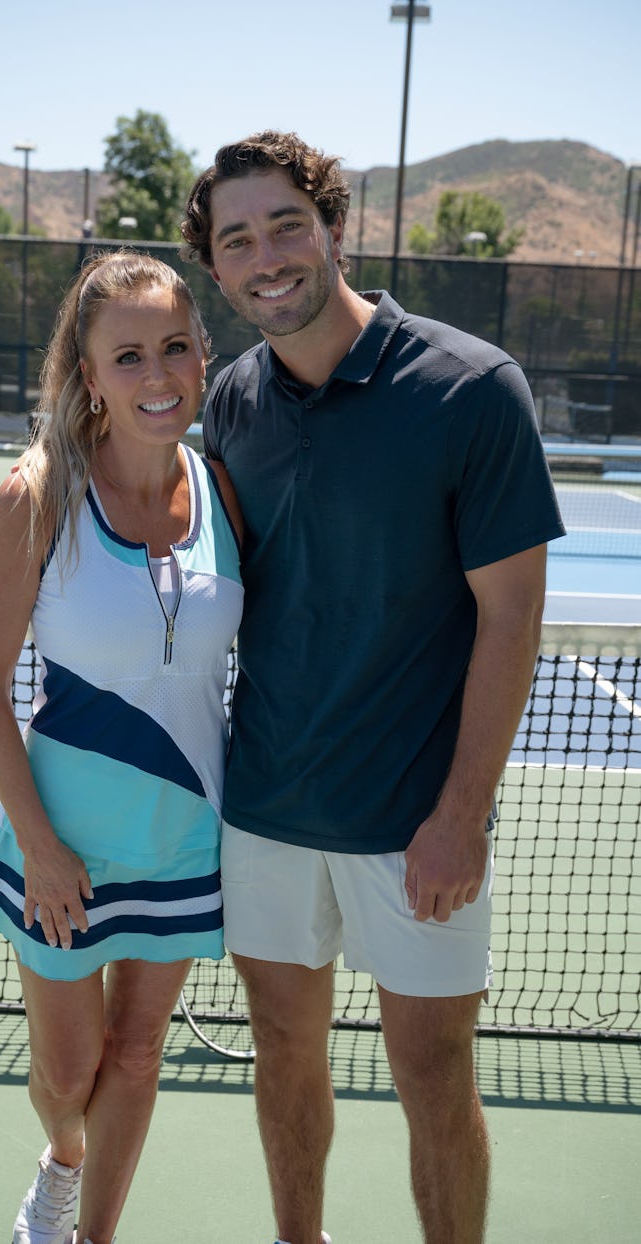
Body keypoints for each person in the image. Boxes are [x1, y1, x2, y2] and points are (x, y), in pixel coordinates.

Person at [181, 131, 565, 1244]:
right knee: (284, 1050)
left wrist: (458, 817)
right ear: (218, 267)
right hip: (266, 812)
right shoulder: (235, 403)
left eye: (286, 224)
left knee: (433, 1071)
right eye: (237, 239)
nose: (268, 255)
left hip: (414, 824)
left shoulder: (472, 388)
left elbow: (512, 616)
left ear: (333, 225)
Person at [0, 251, 243, 1244]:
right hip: (63, 846)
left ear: (203, 356)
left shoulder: (224, 492)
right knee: (70, 1072)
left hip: (182, 839)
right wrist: (39, 844)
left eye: (174, 346)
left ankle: (91, 1234)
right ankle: (63, 1161)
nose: (156, 373)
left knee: (134, 1057)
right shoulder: (36, 495)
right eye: (127, 355)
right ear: (87, 375)